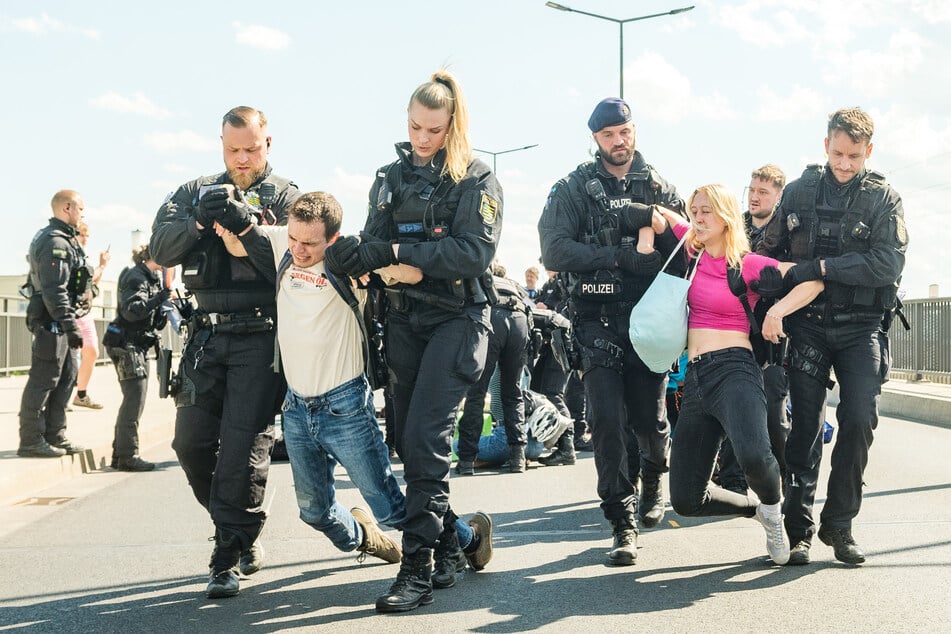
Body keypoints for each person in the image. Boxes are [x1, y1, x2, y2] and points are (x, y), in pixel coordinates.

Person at [324, 69, 497, 613]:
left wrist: (401, 258)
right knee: (406, 440)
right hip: (402, 322)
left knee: (425, 441)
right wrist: (355, 257)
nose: (423, 139)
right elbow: (372, 247)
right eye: (416, 127)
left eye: (435, 129)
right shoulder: (389, 178)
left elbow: (474, 253)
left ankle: (415, 569)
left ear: (454, 125)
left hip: (458, 320)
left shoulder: (476, 176)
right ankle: (457, 540)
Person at [149, 106, 301, 599]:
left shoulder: (286, 196)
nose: (242, 158)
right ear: (220, 144)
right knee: (190, 445)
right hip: (206, 336)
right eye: (233, 149)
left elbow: (301, 260)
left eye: (252, 149)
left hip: (261, 338)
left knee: (241, 452)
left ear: (268, 144)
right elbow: (160, 247)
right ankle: (242, 524)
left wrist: (251, 232)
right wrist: (198, 222)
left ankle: (226, 554)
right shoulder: (196, 191)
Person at [759, 107, 908, 565]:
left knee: (860, 418)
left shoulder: (885, 199)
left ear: (869, 152)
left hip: (861, 327)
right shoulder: (800, 193)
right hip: (806, 327)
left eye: (854, 156)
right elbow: (768, 254)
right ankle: (798, 530)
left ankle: (839, 526)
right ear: (826, 146)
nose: (845, 163)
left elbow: (887, 264)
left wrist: (821, 268)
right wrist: (772, 289)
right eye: (838, 153)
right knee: (804, 427)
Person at [538, 97, 682, 565]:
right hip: (594, 320)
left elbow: (689, 248)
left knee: (648, 419)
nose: (618, 142)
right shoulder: (574, 188)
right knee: (605, 422)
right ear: (595, 139)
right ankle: (621, 522)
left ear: (634, 130)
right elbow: (555, 251)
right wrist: (617, 256)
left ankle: (654, 481)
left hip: (648, 321)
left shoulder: (659, 184)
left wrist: (655, 244)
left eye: (624, 132)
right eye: (608, 136)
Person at [655, 185, 823, 566]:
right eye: (693, 211)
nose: (697, 217)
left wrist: (777, 311)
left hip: (735, 369)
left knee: (753, 456)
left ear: (726, 217)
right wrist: (655, 225)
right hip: (694, 379)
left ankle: (774, 512)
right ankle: (757, 510)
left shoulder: (746, 265)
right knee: (685, 500)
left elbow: (812, 281)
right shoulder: (689, 250)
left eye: (706, 212)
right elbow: (655, 212)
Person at [718, 164, 789, 494]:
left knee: (773, 407)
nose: (756, 197)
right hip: (737, 327)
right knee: (737, 402)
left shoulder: (789, 231)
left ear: (778, 194)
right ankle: (732, 479)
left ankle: (783, 479)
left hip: (775, 330)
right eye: (752, 190)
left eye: (763, 192)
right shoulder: (735, 227)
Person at [17, 190, 89, 458]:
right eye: (80, 208)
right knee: (43, 381)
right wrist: (71, 325)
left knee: (67, 379)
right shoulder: (54, 241)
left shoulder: (67, 239)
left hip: (63, 322)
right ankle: (31, 440)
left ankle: (55, 435)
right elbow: (53, 290)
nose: (83, 213)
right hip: (52, 324)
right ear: (66, 208)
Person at [457, 262, 531, 474]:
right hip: (519, 320)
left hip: (493, 318)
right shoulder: (513, 284)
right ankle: (518, 455)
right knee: (513, 392)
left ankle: (466, 459)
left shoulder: (477, 278)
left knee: (476, 393)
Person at [103, 245, 169, 472]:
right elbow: (131, 310)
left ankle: (119, 455)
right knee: (134, 399)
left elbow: (153, 318)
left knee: (134, 400)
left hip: (137, 345)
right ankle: (128, 456)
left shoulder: (152, 278)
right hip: (126, 344)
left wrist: (164, 303)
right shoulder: (137, 276)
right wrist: (158, 299)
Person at [71, 221, 111, 410]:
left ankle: (81, 394)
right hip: (72, 313)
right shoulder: (70, 253)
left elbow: (90, 283)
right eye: (82, 234)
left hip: (85, 312)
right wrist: (102, 266)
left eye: (87, 235)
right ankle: (62, 398)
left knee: (92, 351)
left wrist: (101, 268)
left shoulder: (82, 255)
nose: (85, 239)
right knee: (68, 359)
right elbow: (88, 278)